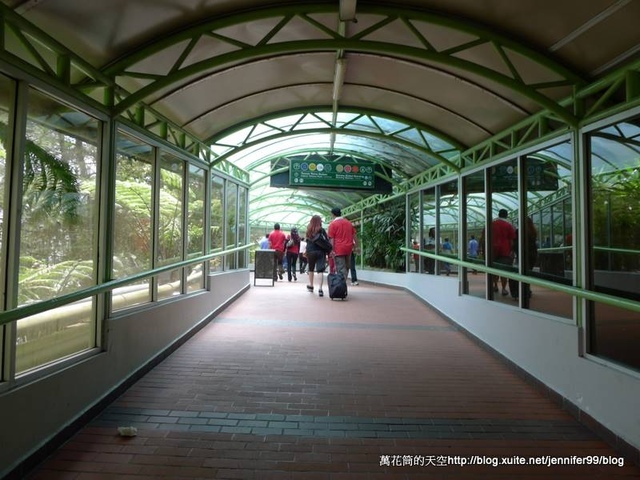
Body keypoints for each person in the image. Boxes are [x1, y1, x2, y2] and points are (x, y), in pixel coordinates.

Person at [489, 209, 516, 296]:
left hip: (493, 251)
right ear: (506, 215)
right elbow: (512, 239)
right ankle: (504, 289)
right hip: (505, 251)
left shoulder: (492, 224)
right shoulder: (508, 225)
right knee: (504, 271)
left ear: (498, 215)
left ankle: (495, 285)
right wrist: (512, 251)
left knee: (494, 270)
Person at [328, 207, 354, 283]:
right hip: (348, 249)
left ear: (333, 214)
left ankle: (341, 285)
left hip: (338, 249)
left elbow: (331, 239)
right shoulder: (349, 223)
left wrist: (332, 250)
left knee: (341, 268)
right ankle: (343, 283)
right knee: (346, 267)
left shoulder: (332, 224)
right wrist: (357, 246)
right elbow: (354, 235)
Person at [305, 215, 328, 297]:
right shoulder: (322, 230)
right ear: (319, 221)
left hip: (311, 251)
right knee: (320, 270)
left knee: (311, 269)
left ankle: (311, 286)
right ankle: (320, 289)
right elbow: (326, 241)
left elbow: (307, 241)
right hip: (320, 251)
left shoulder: (309, 230)